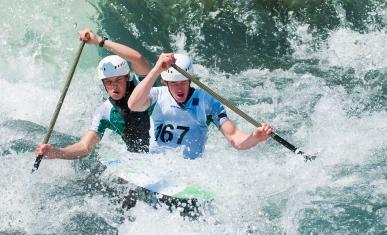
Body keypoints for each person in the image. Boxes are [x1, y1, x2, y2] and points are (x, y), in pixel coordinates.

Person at [128, 53, 273, 159]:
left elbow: (234, 138)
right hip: (156, 164)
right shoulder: (156, 95)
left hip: (190, 171)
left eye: (183, 82)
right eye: (174, 83)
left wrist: (254, 137)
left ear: (190, 80)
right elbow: (133, 105)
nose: (179, 88)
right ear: (166, 82)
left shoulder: (207, 102)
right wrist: (156, 70)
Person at [35, 28, 152, 160]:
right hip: (142, 162)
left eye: (118, 80)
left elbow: (138, 58)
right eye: (108, 82)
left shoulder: (141, 85)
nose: (114, 86)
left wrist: (99, 41)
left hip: (167, 150)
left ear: (127, 77)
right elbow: (85, 147)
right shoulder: (105, 111)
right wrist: (57, 152)